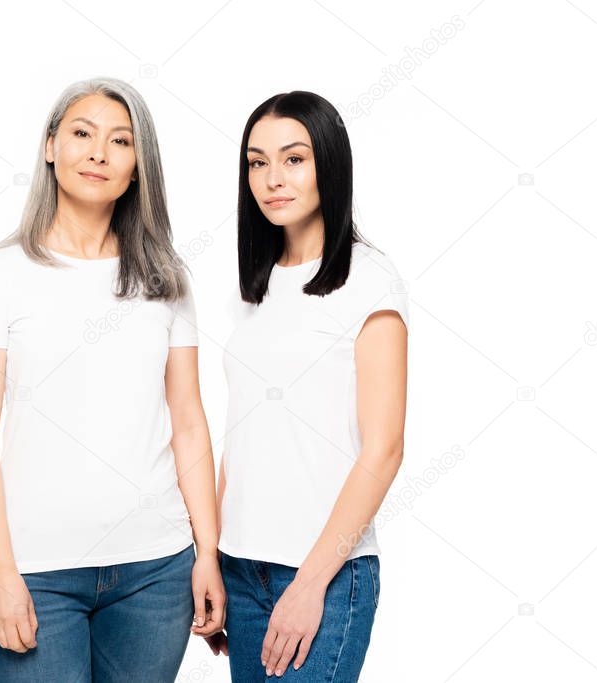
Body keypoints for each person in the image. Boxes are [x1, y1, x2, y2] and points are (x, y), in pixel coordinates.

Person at [0, 78, 225, 682]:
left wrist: (207, 552)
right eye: (81, 133)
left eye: (120, 141)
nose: (98, 152)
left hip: (156, 572)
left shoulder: (166, 278)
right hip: (36, 572)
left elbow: (189, 423)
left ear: (138, 166)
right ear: (50, 147)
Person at [215, 91, 409, 681]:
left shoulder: (367, 280)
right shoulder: (253, 288)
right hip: (242, 568)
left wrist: (310, 583)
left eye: (293, 159)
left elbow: (384, 449)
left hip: (323, 573)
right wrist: (214, 562)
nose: (272, 178)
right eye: (257, 161)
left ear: (330, 162)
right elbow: (240, 433)